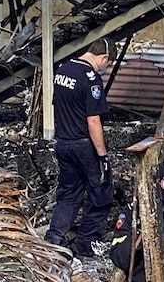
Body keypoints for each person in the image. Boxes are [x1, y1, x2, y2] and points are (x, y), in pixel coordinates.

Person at [44, 37, 115, 258]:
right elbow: (93, 120)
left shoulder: (63, 70)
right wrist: (102, 156)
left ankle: (54, 238)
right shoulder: (91, 79)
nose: (106, 68)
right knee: (100, 192)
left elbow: (58, 104)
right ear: (102, 57)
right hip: (84, 146)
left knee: (69, 194)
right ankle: (86, 244)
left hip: (63, 143)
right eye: (108, 63)